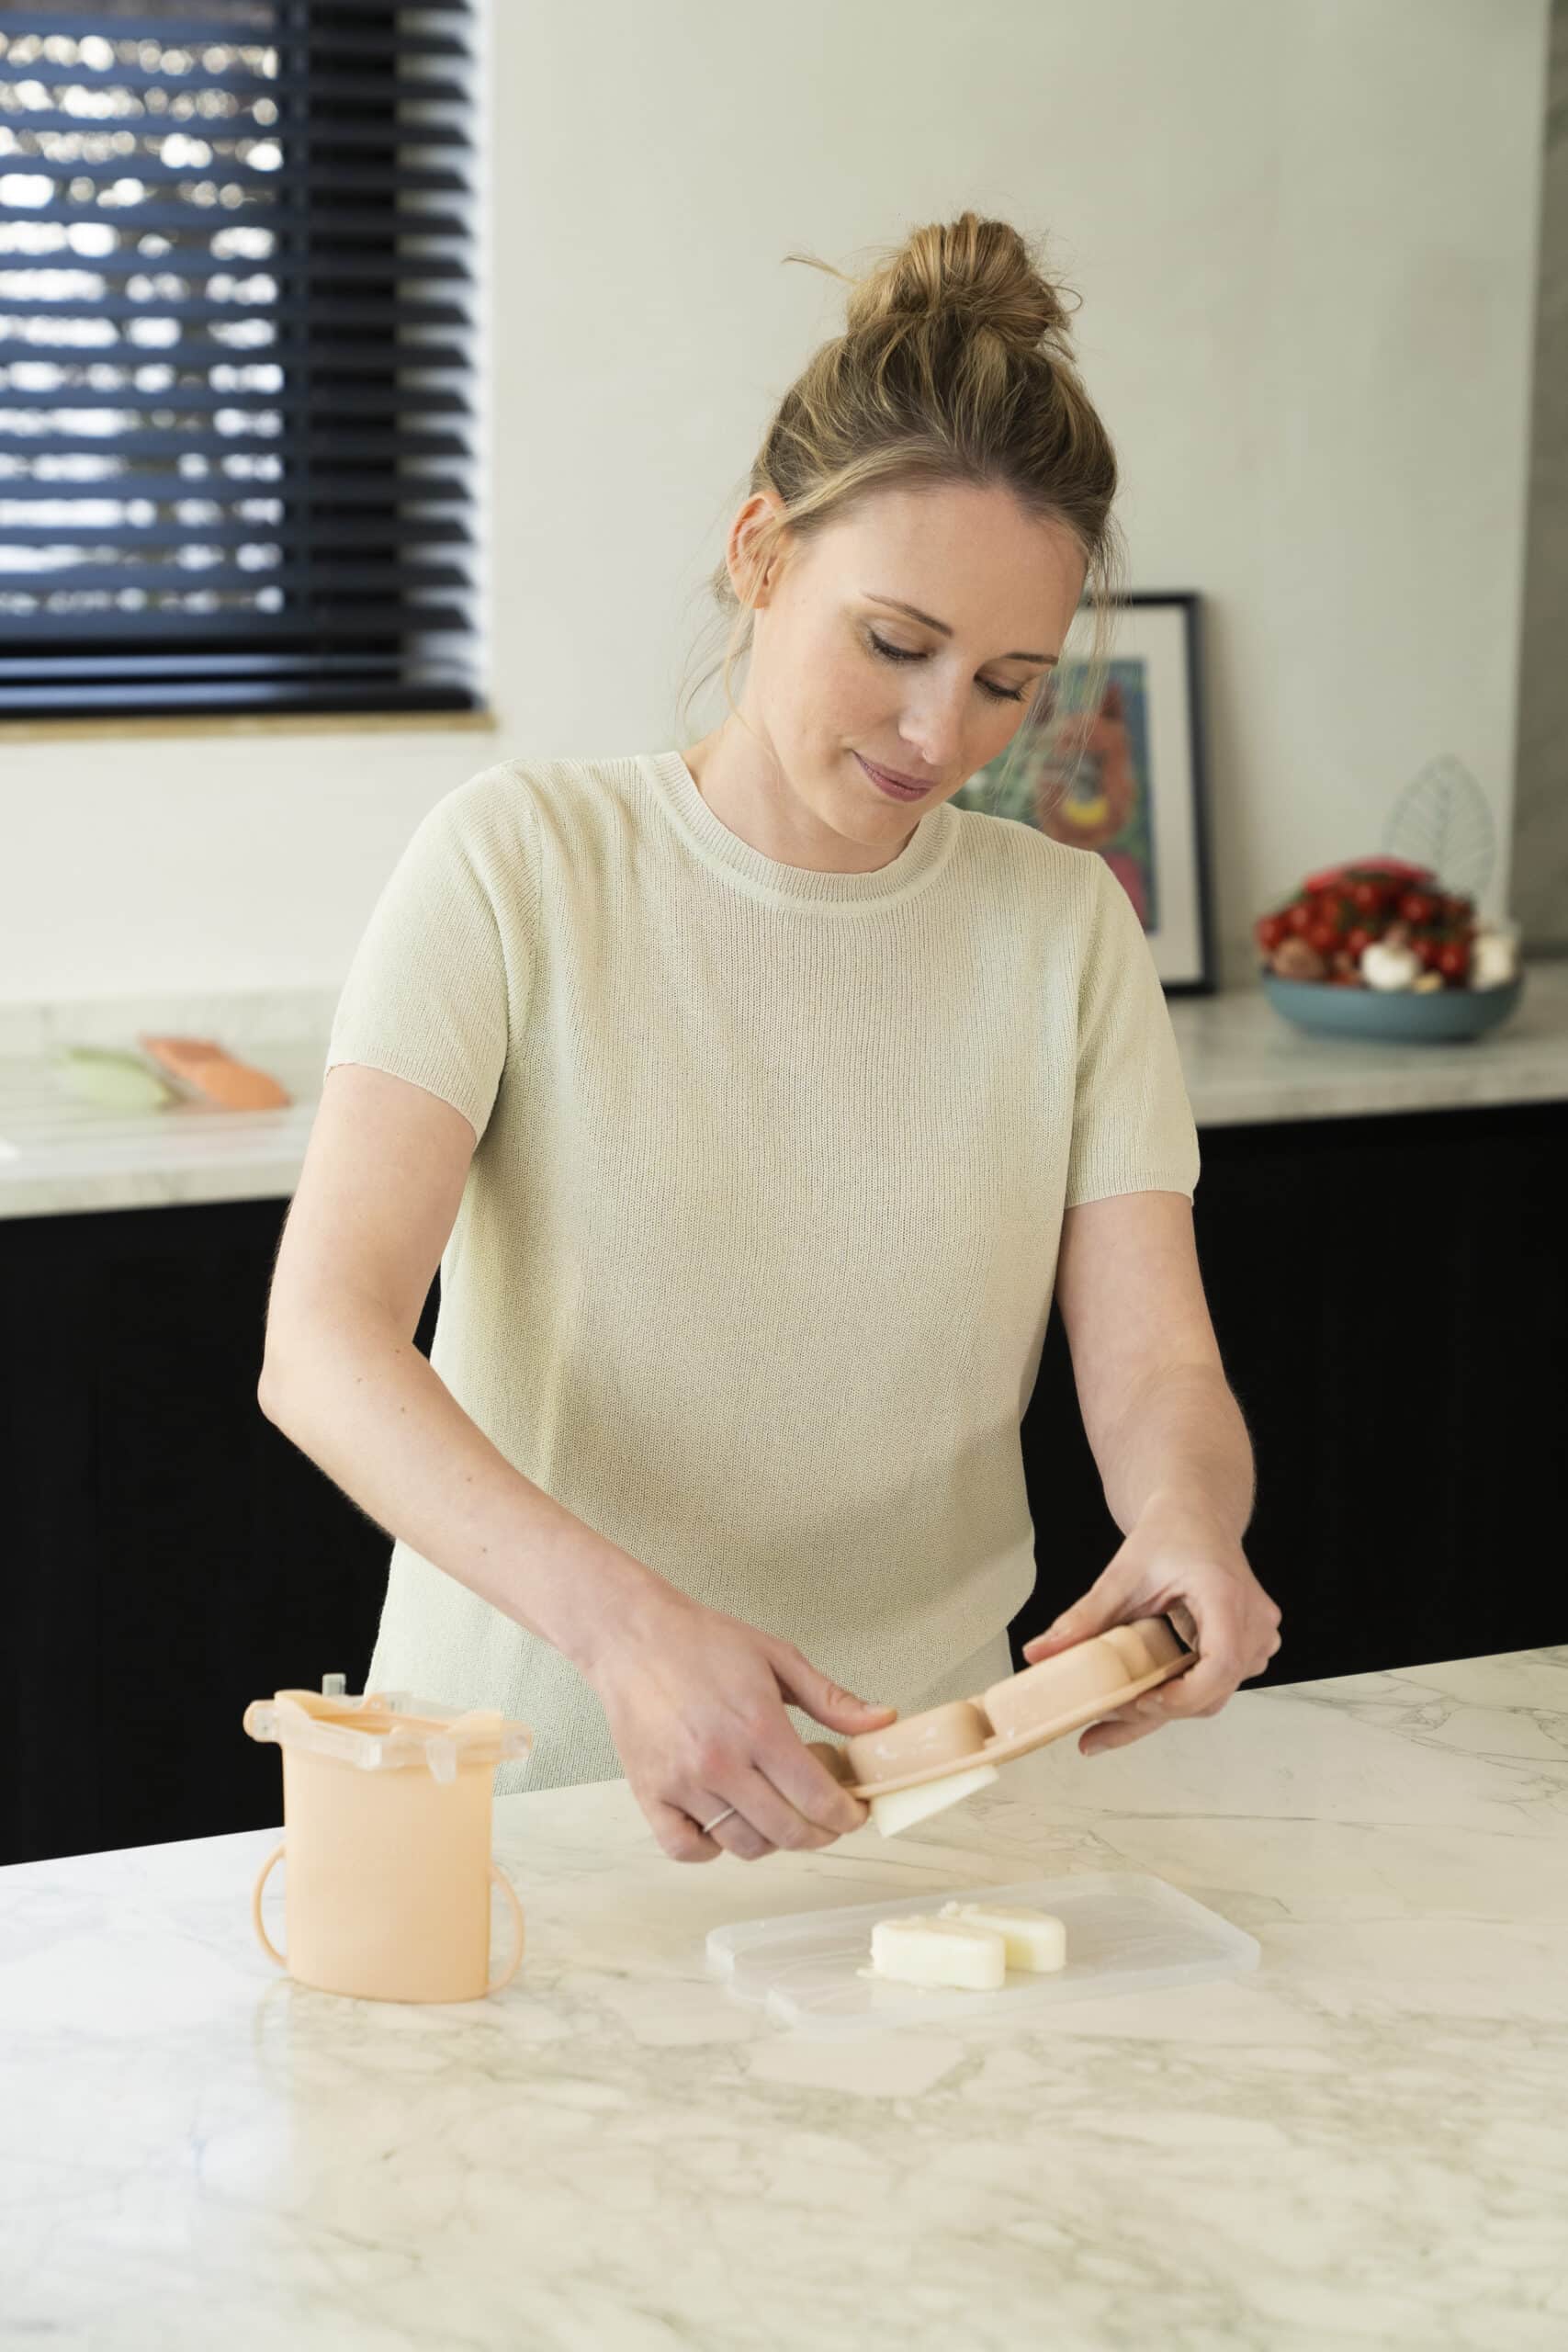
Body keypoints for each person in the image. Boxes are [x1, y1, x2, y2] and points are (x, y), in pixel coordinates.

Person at [258, 209, 1280, 1868]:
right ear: (760, 554)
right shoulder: (518, 865)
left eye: (1011, 683)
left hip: (929, 1830)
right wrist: (632, 1632)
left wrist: (1189, 1518)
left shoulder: (1065, 927)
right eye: (896, 645)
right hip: (528, 1812)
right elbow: (323, 1342)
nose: (943, 732)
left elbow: (1159, 1365)